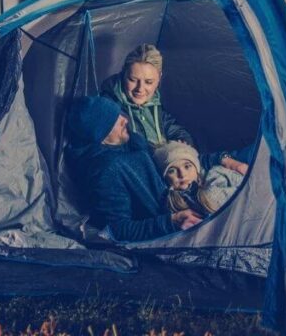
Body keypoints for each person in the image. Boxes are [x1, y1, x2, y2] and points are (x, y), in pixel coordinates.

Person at [64, 96, 202, 242]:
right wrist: (172, 221)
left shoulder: (130, 141)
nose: (125, 120)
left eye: (119, 114)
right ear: (101, 134)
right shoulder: (106, 170)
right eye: (115, 120)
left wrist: (219, 158)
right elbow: (118, 229)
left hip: (184, 194)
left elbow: (170, 161)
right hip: (174, 223)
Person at [101, 43, 249, 175]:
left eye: (149, 82)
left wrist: (183, 141)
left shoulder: (154, 102)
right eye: (133, 80)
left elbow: (172, 127)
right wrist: (169, 154)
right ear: (123, 75)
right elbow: (127, 152)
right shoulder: (109, 109)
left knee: (248, 156)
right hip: (158, 171)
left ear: (159, 78)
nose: (141, 89)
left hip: (174, 159)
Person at [153, 140, 245, 218]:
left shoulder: (217, 175)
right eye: (172, 171)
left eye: (187, 166)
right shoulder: (168, 204)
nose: (182, 174)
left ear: (197, 170)